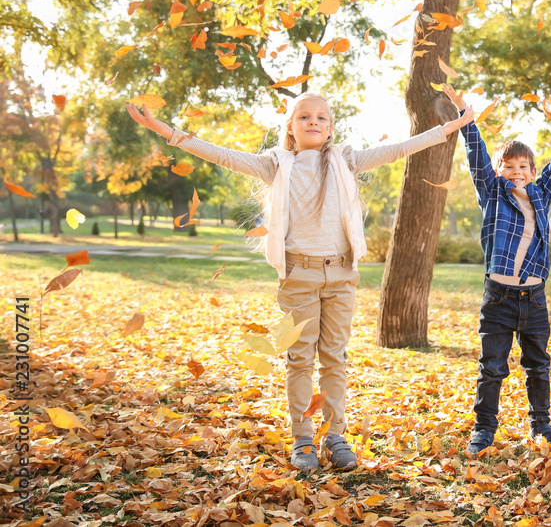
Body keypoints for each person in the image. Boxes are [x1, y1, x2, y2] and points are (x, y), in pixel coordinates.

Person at [127, 93, 473, 471]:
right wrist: (166, 132)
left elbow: (399, 148)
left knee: (335, 360)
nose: (313, 122)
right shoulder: (276, 165)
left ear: (331, 128)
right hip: (299, 277)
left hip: (341, 275)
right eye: (304, 117)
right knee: (299, 359)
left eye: (321, 118)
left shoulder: (346, 160)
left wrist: (449, 127)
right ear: (291, 128)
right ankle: (304, 438)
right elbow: (222, 154)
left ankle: (335, 436)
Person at [442, 84, 551, 454]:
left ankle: (540, 425)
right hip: (498, 298)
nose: (515, 172)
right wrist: (463, 109)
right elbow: (475, 150)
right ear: (499, 170)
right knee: (492, 368)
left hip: (533, 298)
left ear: (532, 171)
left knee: (538, 366)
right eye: (508, 166)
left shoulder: (541, 194)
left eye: (522, 167)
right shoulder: (491, 191)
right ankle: (484, 430)